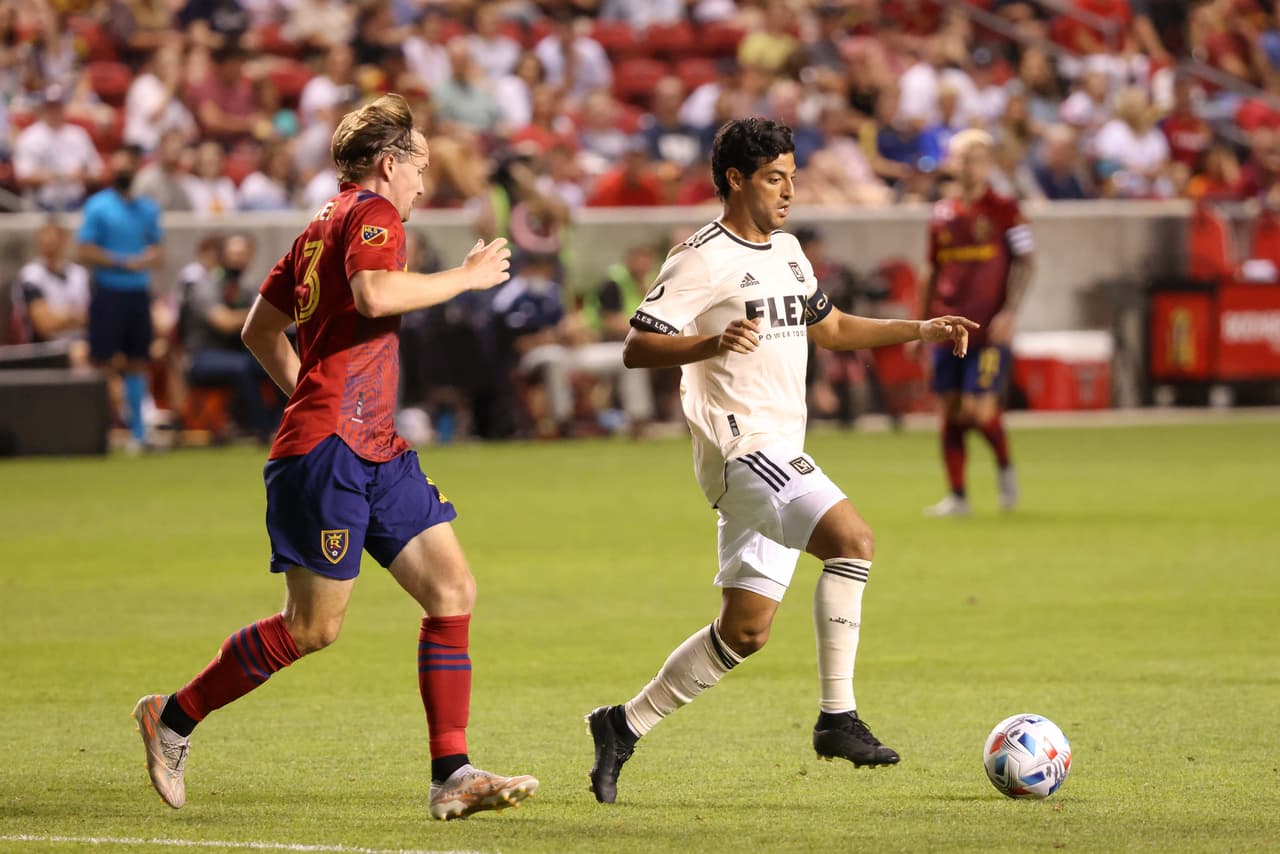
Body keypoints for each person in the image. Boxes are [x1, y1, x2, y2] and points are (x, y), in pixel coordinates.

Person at [131, 93, 538, 821]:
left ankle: (453, 772)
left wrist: (306, 396)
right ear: (389, 163)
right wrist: (467, 278)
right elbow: (376, 294)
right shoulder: (372, 216)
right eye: (417, 164)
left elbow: (261, 331)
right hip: (331, 452)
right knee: (312, 628)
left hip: (370, 444)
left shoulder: (317, 226)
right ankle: (172, 716)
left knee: (452, 591)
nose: (423, 180)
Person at [584, 118, 976, 803]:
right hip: (742, 450)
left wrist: (920, 329)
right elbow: (637, 346)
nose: (790, 190)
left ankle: (622, 725)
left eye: (793, 175)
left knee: (745, 631)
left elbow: (833, 328)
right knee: (853, 540)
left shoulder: (789, 250)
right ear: (735, 180)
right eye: (775, 177)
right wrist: (709, 345)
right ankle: (838, 718)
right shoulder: (701, 257)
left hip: (781, 451)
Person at [919, 129, 1035, 518]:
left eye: (974, 158)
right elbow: (933, 271)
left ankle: (1004, 469)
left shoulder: (1005, 209)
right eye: (960, 158)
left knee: (978, 410)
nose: (966, 165)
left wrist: (1010, 311)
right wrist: (920, 325)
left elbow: (1027, 262)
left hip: (986, 329)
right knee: (950, 410)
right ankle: (958, 496)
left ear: (987, 163)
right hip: (946, 325)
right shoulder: (941, 213)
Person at [76, 144, 163, 451]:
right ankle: (98, 431)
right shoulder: (98, 206)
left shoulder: (148, 208)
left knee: (139, 361)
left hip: (137, 292)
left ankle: (138, 434)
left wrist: (148, 258)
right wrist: (122, 262)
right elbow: (84, 249)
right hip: (109, 290)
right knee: (103, 361)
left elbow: (157, 248)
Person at [181, 233, 280, 439]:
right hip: (202, 355)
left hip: (238, 353)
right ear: (223, 256)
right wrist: (261, 314)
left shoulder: (248, 286)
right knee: (243, 366)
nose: (237, 260)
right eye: (233, 254)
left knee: (277, 361)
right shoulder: (204, 284)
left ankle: (279, 424)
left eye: (243, 255)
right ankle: (258, 429)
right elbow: (223, 322)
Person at [11, 220, 91, 365]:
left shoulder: (79, 274)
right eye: (46, 244)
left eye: (54, 243)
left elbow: (93, 316)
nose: (50, 249)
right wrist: (74, 316)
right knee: (80, 357)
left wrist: (62, 317)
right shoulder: (31, 276)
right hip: (43, 349)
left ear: (64, 242)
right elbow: (45, 325)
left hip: (81, 342)